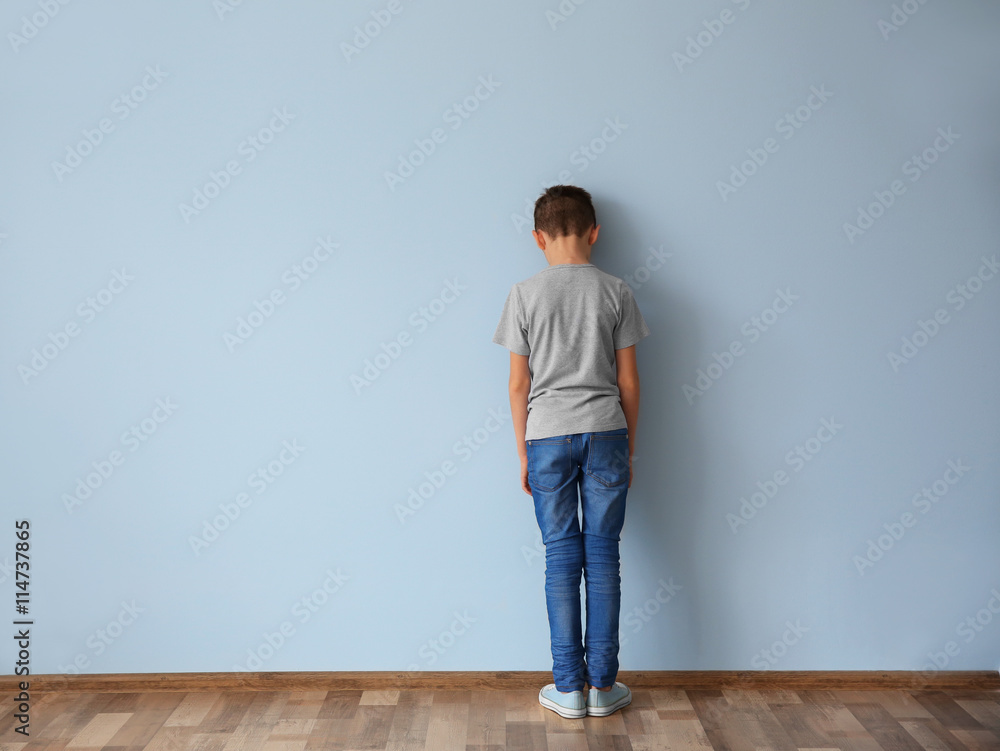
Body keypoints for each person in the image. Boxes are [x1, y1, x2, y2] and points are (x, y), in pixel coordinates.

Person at [492, 185, 650, 719]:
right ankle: (604, 688)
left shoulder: (522, 294)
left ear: (538, 238)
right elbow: (629, 382)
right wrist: (627, 445)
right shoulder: (616, 290)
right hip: (606, 430)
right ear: (594, 233)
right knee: (603, 557)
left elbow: (518, 385)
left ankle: (568, 689)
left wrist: (523, 455)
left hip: (546, 437)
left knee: (561, 558)